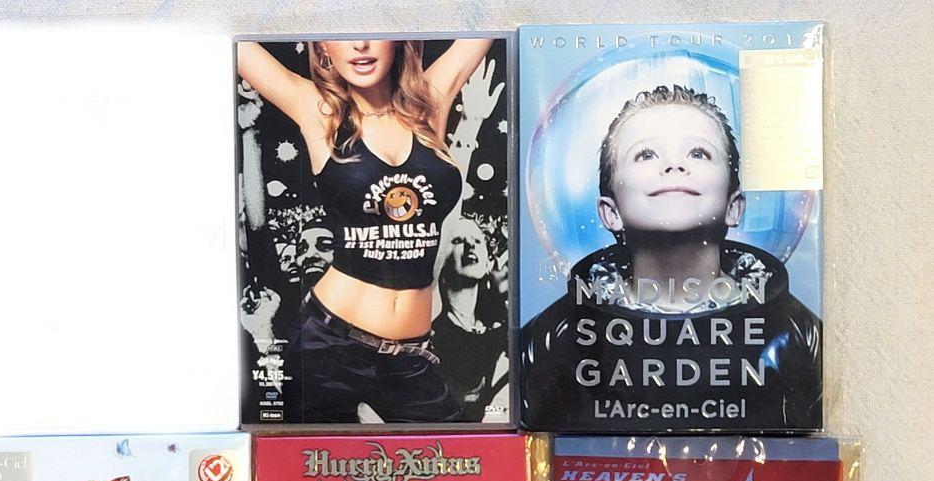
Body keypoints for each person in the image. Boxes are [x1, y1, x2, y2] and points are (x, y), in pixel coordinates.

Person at [521, 84, 822, 431]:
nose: (674, 165)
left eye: (699, 153)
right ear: (610, 212)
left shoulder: (797, 333)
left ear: (734, 206)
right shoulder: (552, 338)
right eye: (646, 154)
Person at [237, 38, 495, 422]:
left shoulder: (429, 101)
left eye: (373, 29)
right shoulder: (318, 109)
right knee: (305, 460)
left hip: (410, 355)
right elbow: (235, 37)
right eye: (342, 34)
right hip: (328, 345)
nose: (360, 45)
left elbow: (488, 22)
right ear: (324, 48)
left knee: (454, 455)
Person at [429, 217, 509, 420]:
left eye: (477, 240)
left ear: (488, 262)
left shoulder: (500, 332)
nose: (470, 245)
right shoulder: (430, 334)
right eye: (457, 240)